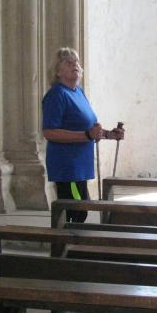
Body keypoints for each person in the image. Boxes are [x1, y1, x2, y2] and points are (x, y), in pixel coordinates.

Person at [42, 47, 124, 222]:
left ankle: (72, 238)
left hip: (79, 165)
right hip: (67, 166)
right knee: (75, 211)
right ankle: (65, 239)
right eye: (68, 62)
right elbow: (49, 132)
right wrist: (86, 135)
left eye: (76, 61)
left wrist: (109, 134)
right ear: (57, 71)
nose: (75, 64)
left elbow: (89, 128)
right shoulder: (57, 95)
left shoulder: (78, 92)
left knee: (80, 211)